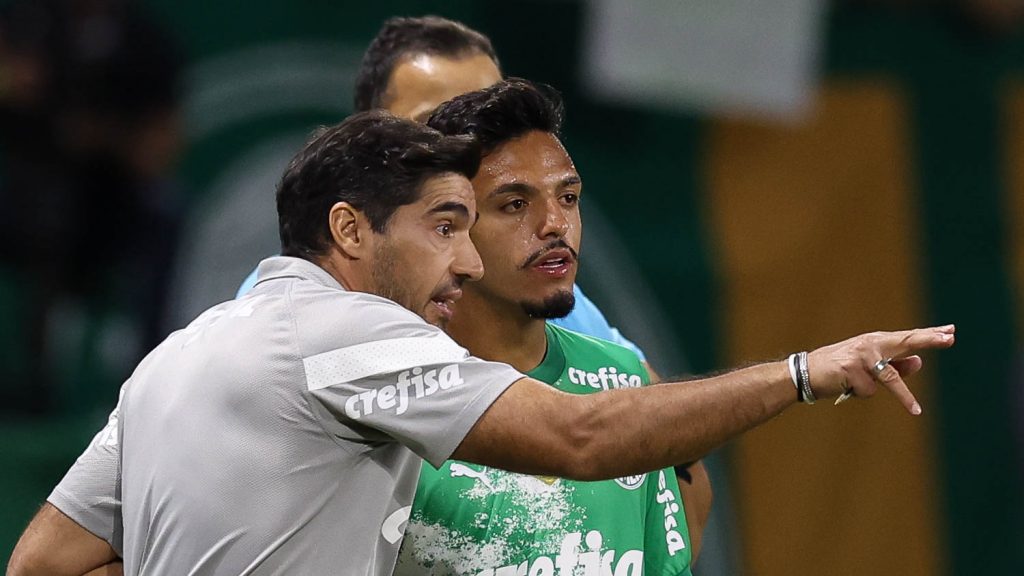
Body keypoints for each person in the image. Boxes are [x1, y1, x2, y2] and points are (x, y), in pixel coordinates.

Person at [8, 108, 954, 576]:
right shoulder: (350, 334)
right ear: (350, 231)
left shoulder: (175, 356)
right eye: (443, 226)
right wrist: (802, 372)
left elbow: (42, 564)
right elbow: (580, 441)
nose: (461, 263)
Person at [394, 79, 693, 575]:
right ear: (447, 228)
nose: (556, 223)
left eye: (569, 197)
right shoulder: (395, 397)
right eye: (515, 204)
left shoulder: (622, 380)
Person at [234, 16, 648, 366]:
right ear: (367, 131)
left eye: (485, 116)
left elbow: (648, 413)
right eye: (433, 122)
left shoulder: (532, 285)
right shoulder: (295, 301)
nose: (465, 144)